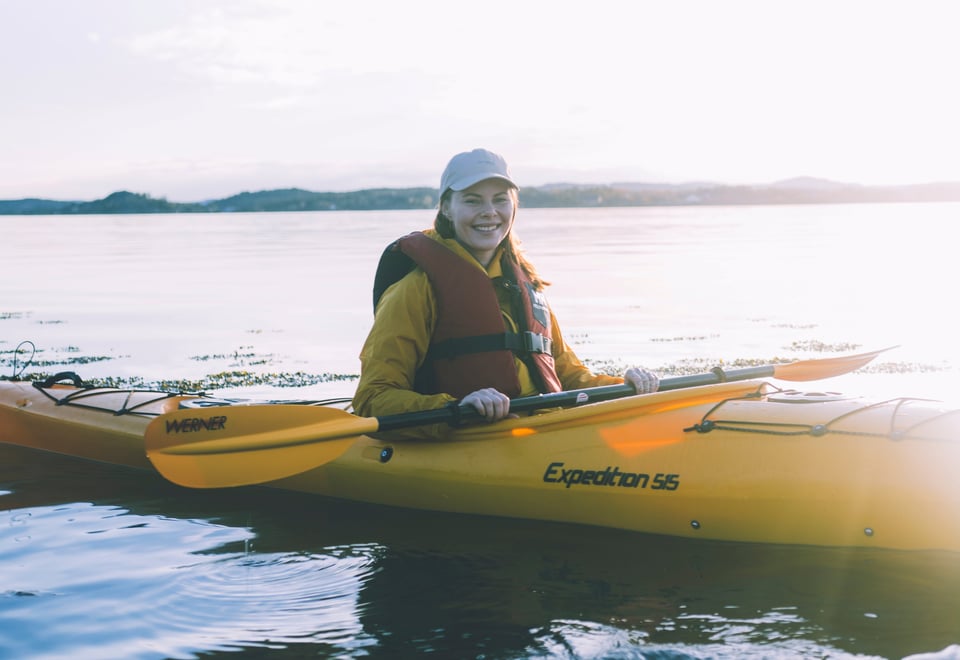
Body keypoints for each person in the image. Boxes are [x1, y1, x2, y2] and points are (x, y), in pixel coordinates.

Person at [352, 148, 659, 438]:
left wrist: (626, 384)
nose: (489, 212)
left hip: (547, 431)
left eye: (500, 199)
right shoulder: (414, 291)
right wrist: (456, 407)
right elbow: (373, 397)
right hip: (472, 439)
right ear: (446, 208)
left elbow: (570, 377)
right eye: (472, 201)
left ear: (514, 206)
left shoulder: (527, 285)